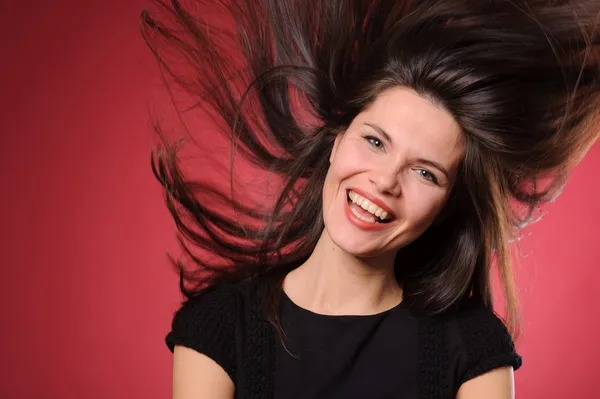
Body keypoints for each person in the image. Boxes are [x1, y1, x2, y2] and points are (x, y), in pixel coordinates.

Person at [141, 0, 600, 397]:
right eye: (375, 142)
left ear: (445, 209)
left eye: (425, 172)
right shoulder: (221, 327)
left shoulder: (474, 345)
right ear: (336, 143)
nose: (385, 181)